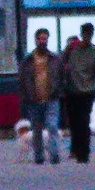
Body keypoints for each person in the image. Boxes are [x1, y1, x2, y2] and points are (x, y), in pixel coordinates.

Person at [60, 24, 95, 164]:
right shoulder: (72, 50)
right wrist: (67, 49)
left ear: (92, 34)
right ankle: (75, 148)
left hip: (87, 91)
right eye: (85, 33)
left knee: (84, 121)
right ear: (81, 33)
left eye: (89, 33)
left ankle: (83, 153)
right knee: (73, 122)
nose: (87, 36)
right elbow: (61, 63)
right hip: (71, 91)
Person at [23, 30, 62, 165]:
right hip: (34, 99)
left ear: (48, 40)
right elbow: (22, 80)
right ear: (35, 40)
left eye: (45, 39)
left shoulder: (55, 59)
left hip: (52, 98)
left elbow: (61, 76)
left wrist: (58, 91)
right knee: (37, 129)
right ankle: (39, 156)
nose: (42, 41)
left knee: (52, 126)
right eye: (40, 39)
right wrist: (25, 97)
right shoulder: (28, 60)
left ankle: (54, 155)